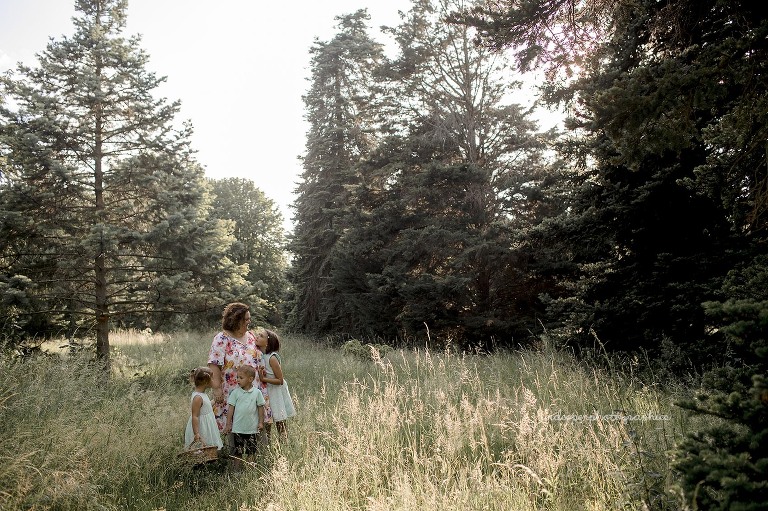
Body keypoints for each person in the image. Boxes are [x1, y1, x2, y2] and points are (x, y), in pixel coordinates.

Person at [207, 303, 271, 432]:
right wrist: (217, 389)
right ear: (236, 320)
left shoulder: (252, 337)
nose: (249, 321)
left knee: (255, 425)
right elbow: (214, 365)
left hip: (255, 389)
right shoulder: (221, 338)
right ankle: (233, 450)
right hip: (232, 390)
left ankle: (257, 449)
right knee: (235, 425)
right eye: (246, 319)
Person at [223, 365, 265, 471]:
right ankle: (236, 470)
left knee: (251, 451)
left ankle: (251, 471)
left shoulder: (257, 393)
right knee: (238, 452)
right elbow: (231, 409)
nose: (238, 380)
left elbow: (260, 408)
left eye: (241, 378)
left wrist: (261, 422)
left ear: (250, 379)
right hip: (238, 428)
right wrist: (228, 424)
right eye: (237, 377)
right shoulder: (235, 393)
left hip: (252, 429)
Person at [257, 329, 296, 439]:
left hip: (275, 391)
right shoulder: (259, 355)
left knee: (280, 420)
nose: (257, 337)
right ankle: (267, 444)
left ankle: (283, 444)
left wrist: (263, 379)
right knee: (267, 420)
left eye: (261, 336)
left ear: (268, 342)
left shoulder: (272, 358)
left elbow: (280, 380)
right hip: (266, 392)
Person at [184, 367, 224, 451]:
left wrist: (215, 401)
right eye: (212, 378)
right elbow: (195, 416)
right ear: (206, 381)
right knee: (200, 450)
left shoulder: (202, 394)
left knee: (206, 449)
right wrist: (196, 433)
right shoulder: (197, 397)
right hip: (201, 427)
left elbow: (206, 406)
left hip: (206, 425)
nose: (213, 380)